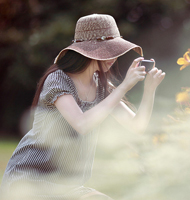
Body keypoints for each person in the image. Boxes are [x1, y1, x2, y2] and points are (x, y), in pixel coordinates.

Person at [0, 14, 165, 200]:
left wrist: (149, 90)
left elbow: (138, 126)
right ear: (87, 52)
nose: (114, 57)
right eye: (107, 51)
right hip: (30, 180)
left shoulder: (102, 87)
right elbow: (82, 124)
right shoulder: (58, 80)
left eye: (115, 50)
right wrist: (124, 86)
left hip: (66, 185)